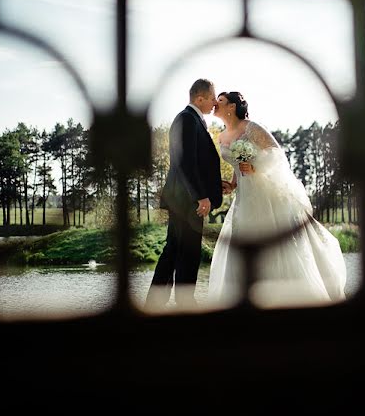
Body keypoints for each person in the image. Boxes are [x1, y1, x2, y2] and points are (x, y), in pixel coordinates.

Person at [208, 91, 346, 306]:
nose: (216, 103)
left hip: (263, 192)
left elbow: (276, 154)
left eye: (221, 100)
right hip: (243, 196)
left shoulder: (251, 127)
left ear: (232, 106)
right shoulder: (221, 136)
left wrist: (255, 167)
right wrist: (233, 183)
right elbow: (237, 163)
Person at [146, 79, 224, 310]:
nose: (214, 103)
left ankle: (165, 302)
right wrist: (201, 196)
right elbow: (185, 162)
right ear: (199, 98)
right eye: (212, 98)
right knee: (184, 250)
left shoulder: (193, 120)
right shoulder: (186, 120)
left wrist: (215, 186)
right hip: (185, 200)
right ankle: (181, 302)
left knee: (179, 249)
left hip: (186, 198)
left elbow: (197, 164)